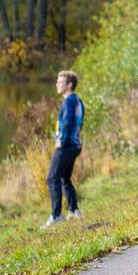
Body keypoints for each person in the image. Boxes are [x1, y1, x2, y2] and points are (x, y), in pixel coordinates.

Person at [43, 71, 85, 228]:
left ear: (69, 85)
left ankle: (56, 215)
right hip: (75, 145)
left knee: (52, 178)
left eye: (60, 82)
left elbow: (67, 123)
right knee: (64, 178)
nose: (57, 84)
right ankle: (74, 211)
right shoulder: (77, 100)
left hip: (66, 146)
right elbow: (79, 123)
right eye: (57, 81)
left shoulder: (69, 102)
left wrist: (61, 140)